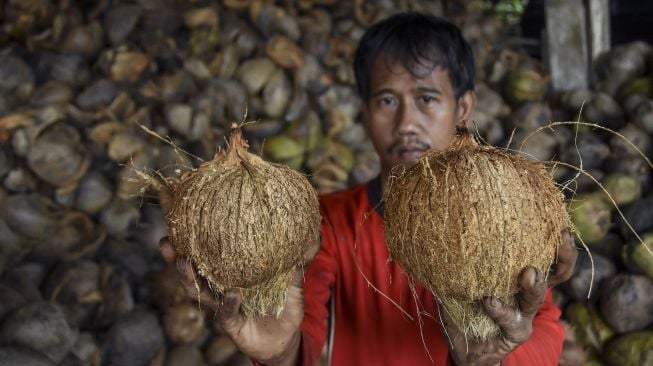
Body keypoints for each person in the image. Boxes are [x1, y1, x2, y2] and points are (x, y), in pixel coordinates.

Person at [159, 12, 578, 366]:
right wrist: (280, 353)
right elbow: (300, 328)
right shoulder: (327, 223)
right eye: (387, 101)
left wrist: (493, 360)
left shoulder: (506, 221)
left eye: (428, 98)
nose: (407, 124)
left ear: (464, 107)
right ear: (364, 113)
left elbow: (543, 328)